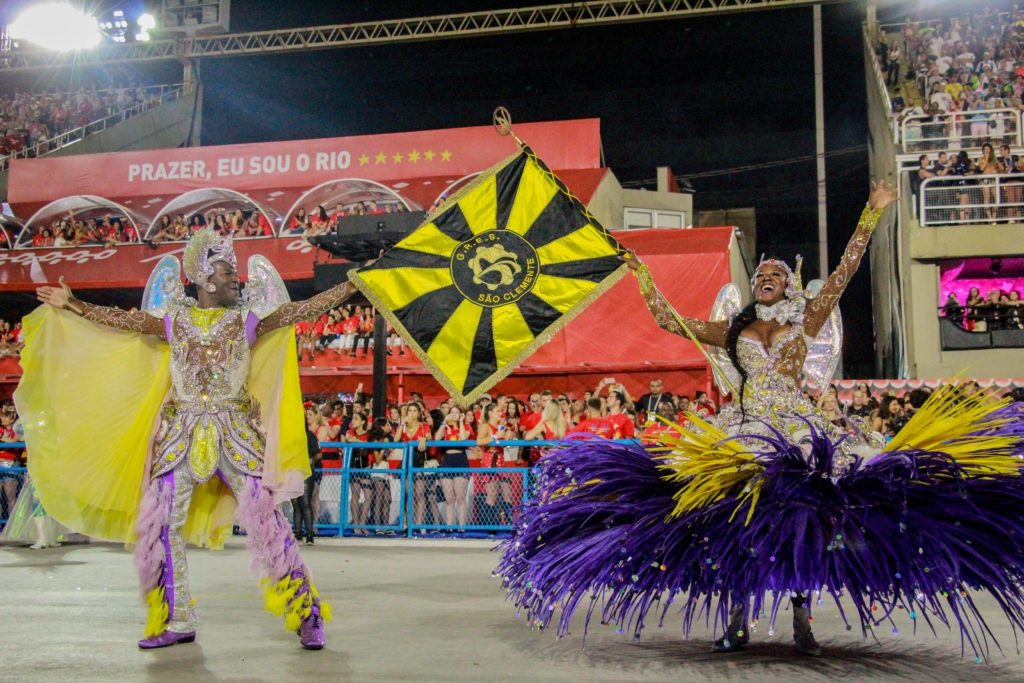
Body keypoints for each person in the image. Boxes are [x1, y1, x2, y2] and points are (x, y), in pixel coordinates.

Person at [500, 181, 1024, 661]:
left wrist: (872, 212)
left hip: (799, 435)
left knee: (803, 522)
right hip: (748, 433)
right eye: (759, 276)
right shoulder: (732, 331)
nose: (765, 278)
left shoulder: (808, 319)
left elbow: (844, 272)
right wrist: (641, 275)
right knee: (737, 521)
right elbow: (669, 321)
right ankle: (734, 620)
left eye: (775, 275)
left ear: (791, 286)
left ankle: (801, 620)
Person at [21, 226, 363, 650]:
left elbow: (305, 310)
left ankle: (306, 614)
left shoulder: (248, 319)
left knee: (269, 525)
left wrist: (352, 285)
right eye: (226, 270)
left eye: (236, 272)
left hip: (237, 437)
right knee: (162, 527)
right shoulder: (173, 319)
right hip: (179, 437)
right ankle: (176, 618)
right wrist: (71, 304)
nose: (235, 278)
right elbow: (123, 320)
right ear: (204, 278)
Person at [435, 405, 473, 530]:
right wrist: (444, 422)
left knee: (460, 498)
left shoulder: (466, 426)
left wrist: (461, 422)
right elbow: (436, 438)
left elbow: (462, 438)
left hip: (460, 460)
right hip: (447, 461)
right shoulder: (446, 427)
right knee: (449, 498)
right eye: (452, 412)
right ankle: (449, 526)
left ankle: (462, 527)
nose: (454, 414)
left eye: (457, 412)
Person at [291, 424, 321, 545]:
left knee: (302, 503)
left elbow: (318, 454)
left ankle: (306, 534)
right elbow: (318, 455)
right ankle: (301, 534)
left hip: (302, 470)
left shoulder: (309, 436)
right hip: (296, 470)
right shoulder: (303, 436)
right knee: (299, 504)